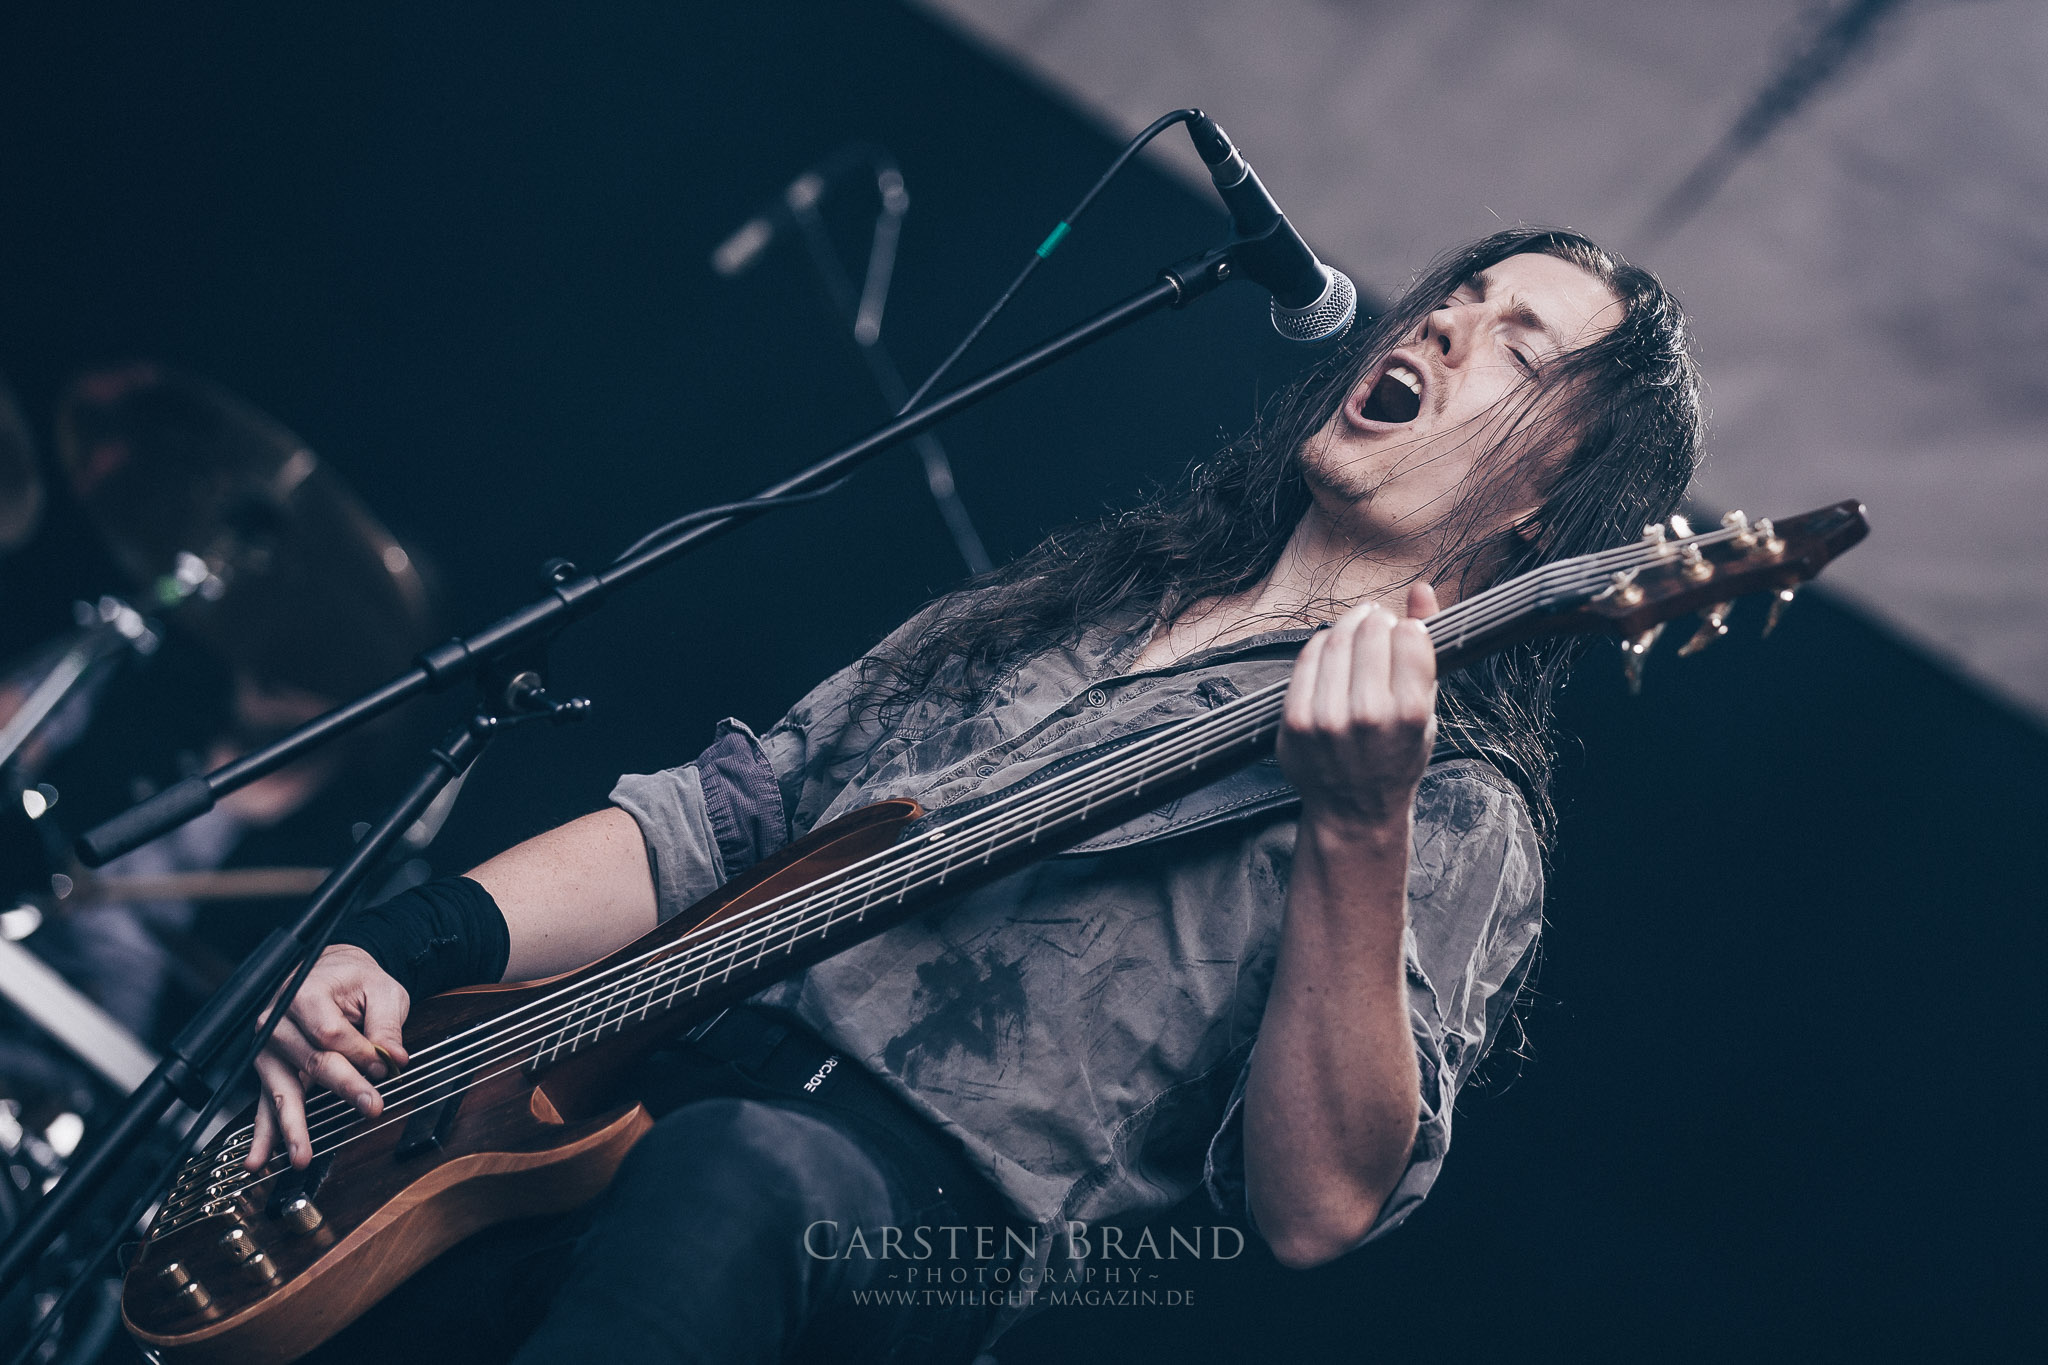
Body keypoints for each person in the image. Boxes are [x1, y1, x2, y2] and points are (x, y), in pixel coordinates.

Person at [251, 227, 1702, 1364]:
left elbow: (1320, 1204)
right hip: (616, 1090)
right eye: (1453, 297)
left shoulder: (1450, 801)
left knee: (739, 1172)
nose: (1442, 325)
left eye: (1516, 347)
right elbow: (724, 821)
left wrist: (1360, 825)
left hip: (909, 1224)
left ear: (1554, 497)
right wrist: (405, 944)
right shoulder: (1081, 595)